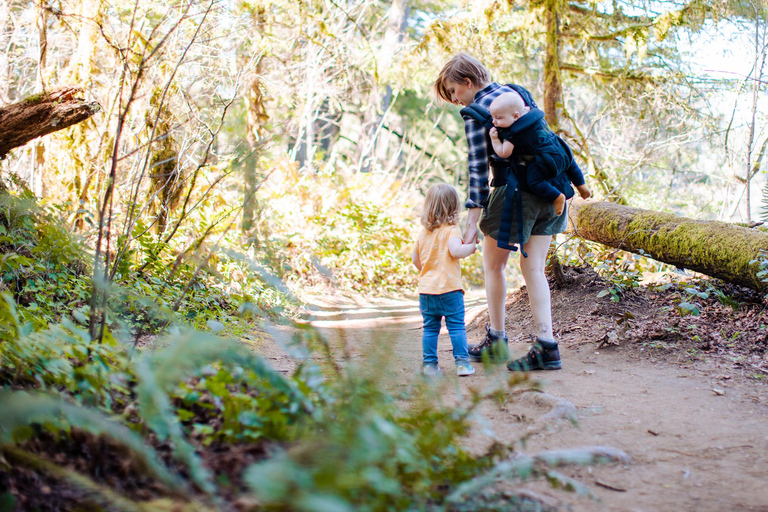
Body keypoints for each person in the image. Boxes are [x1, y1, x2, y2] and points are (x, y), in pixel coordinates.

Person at [434, 53, 570, 371]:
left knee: (494, 268)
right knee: (533, 269)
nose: (456, 101)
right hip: (553, 190)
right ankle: (547, 346)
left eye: (455, 92)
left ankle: (497, 341)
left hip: (514, 194)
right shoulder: (517, 92)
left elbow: (478, 167)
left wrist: (472, 217)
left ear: (468, 83)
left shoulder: (476, 112)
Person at [487, 92, 591, 216]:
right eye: (492, 117)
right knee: (571, 166)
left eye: (498, 118)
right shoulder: (532, 113)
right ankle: (582, 187)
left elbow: (504, 153)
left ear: (516, 116)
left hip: (544, 158)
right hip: (560, 148)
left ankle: (557, 197)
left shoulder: (514, 132)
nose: (494, 122)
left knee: (534, 182)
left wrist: (494, 139)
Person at [412, 183, 477, 377]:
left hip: (427, 291)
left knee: (430, 329)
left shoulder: (423, 233)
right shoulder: (451, 230)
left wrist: (429, 272)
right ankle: (463, 364)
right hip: (449, 290)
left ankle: (430, 366)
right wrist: (471, 247)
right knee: (456, 327)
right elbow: (456, 251)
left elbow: (416, 260)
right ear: (453, 207)